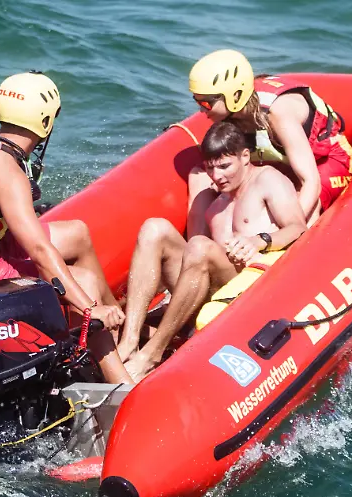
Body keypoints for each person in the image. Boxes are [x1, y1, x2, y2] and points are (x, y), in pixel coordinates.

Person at [0, 71, 132, 384]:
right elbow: (40, 251)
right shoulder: (6, 171)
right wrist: (88, 309)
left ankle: (118, 328)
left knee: (77, 234)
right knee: (83, 285)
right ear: (44, 123)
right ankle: (121, 381)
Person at [117, 122, 307, 381]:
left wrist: (260, 240)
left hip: (249, 291)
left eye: (224, 166)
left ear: (244, 157)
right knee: (155, 228)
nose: (217, 176)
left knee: (200, 246)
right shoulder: (214, 202)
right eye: (210, 168)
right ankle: (129, 341)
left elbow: (298, 227)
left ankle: (151, 354)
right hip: (208, 291)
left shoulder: (267, 180)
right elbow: (192, 259)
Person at [186, 49, 352, 232]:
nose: (201, 111)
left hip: (324, 161)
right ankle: (198, 246)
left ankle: (281, 257)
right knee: (200, 176)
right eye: (197, 102)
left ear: (234, 96)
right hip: (280, 161)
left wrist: (281, 233)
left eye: (205, 104)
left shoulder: (279, 114)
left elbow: (311, 182)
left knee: (300, 207)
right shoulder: (231, 114)